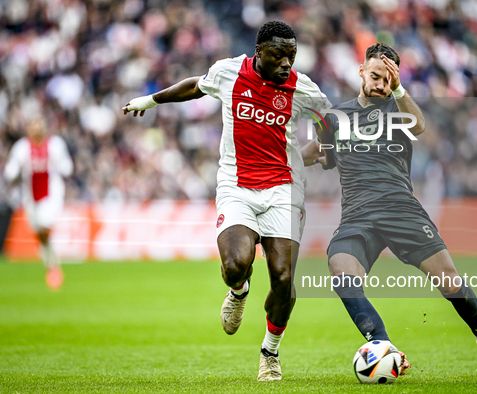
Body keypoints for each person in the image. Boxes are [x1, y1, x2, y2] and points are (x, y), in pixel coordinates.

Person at [122, 21, 330, 381]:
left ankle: (270, 352)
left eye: (291, 57)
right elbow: (195, 87)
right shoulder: (229, 71)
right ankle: (239, 290)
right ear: (259, 51)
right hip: (237, 186)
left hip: (284, 189)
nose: (286, 64)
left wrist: (320, 150)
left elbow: (330, 121)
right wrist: (151, 100)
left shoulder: (302, 87)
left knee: (283, 278)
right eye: (278, 55)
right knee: (236, 264)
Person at [302, 43, 477, 377]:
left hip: (401, 209)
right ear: (361, 72)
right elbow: (317, 151)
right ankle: (383, 346)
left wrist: (399, 89)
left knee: (450, 282)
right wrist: (284, 156)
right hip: (357, 216)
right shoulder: (334, 118)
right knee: (341, 271)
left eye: (388, 80)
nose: (381, 84)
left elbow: (419, 125)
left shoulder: (397, 111)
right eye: (376, 76)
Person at [4, 117, 73, 290]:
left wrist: (64, 168)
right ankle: (51, 264)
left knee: (44, 224)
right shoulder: (22, 147)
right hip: (30, 196)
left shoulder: (55, 144)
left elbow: (66, 165)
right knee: (38, 232)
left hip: (51, 193)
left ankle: (52, 267)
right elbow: (12, 169)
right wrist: (11, 174)